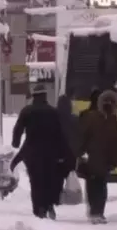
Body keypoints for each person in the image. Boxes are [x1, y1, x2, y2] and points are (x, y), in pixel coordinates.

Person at [12, 85, 74, 220]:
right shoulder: (53, 112)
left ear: (34, 96)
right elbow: (61, 134)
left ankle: (39, 209)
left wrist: (15, 143)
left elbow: (18, 129)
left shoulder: (27, 111)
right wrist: (64, 154)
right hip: (50, 153)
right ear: (45, 96)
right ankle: (49, 204)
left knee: (36, 182)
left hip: (33, 153)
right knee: (48, 180)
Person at [78, 89, 117, 224]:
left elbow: (115, 140)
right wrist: (80, 152)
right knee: (96, 185)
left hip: (102, 158)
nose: (108, 105)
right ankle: (95, 212)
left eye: (111, 102)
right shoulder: (93, 117)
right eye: (106, 102)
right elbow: (84, 136)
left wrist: (115, 158)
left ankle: (97, 212)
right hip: (94, 157)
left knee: (99, 185)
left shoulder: (111, 119)